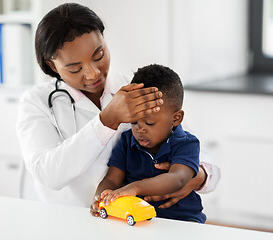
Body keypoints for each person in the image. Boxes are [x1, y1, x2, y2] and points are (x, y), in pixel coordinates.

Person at [16, 3, 220, 209]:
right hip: (66, 221)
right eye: (76, 68)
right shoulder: (36, 102)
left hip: (130, 221)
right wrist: (107, 121)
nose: (93, 73)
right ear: (52, 65)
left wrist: (197, 176)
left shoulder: (138, 88)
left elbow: (192, 148)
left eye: (99, 56)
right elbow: (48, 174)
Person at [92, 64, 206, 223]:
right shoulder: (126, 141)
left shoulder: (187, 143)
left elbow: (178, 178)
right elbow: (112, 179)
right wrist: (102, 197)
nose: (140, 129)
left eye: (150, 123)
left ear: (176, 118)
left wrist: (135, 187)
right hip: (139, 221)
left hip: (182, 222)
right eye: (133, 121)